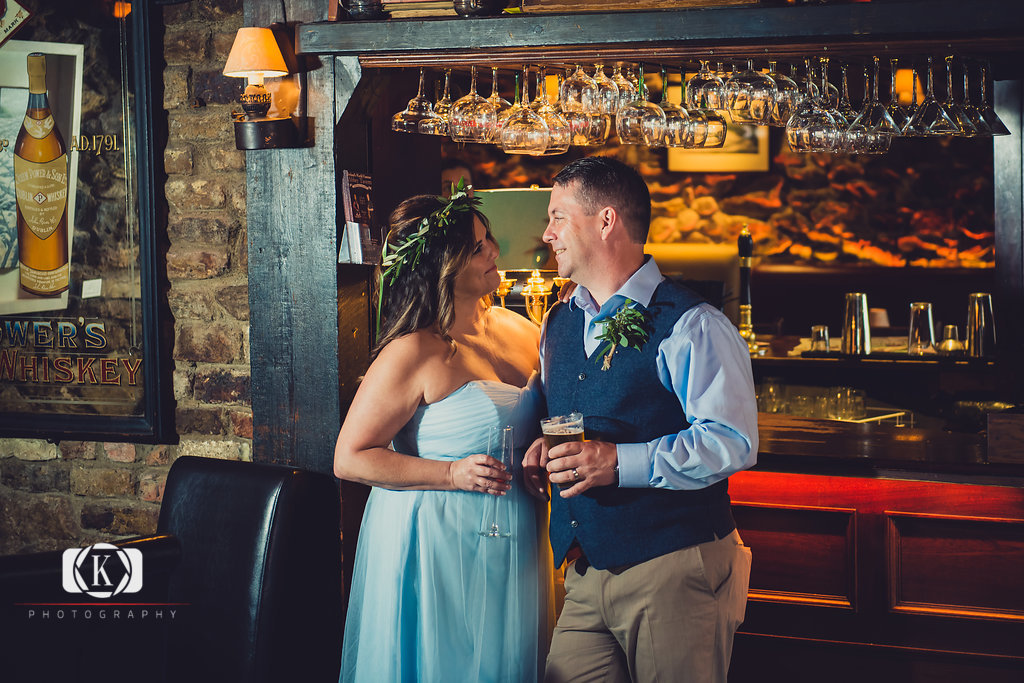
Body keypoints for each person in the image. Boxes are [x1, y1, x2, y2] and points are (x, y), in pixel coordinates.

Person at [524, 156, 758, 683]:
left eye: (558, 216)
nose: (547, 234)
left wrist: (617, 462)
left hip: (673, 567)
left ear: (606, 221)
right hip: (585, 573)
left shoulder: (693, 324)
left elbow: (731, 441)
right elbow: (570, 412)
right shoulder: (557, 322)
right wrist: (543, 447)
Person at [334, 187, 553, 683]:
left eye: (488, 239)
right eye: (478, 247)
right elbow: (350, 457)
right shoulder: (414, 351)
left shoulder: (524, 331)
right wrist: (451, 473)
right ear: (443, 265)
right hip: (439, 543)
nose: (495, 250)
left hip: (516, 529)